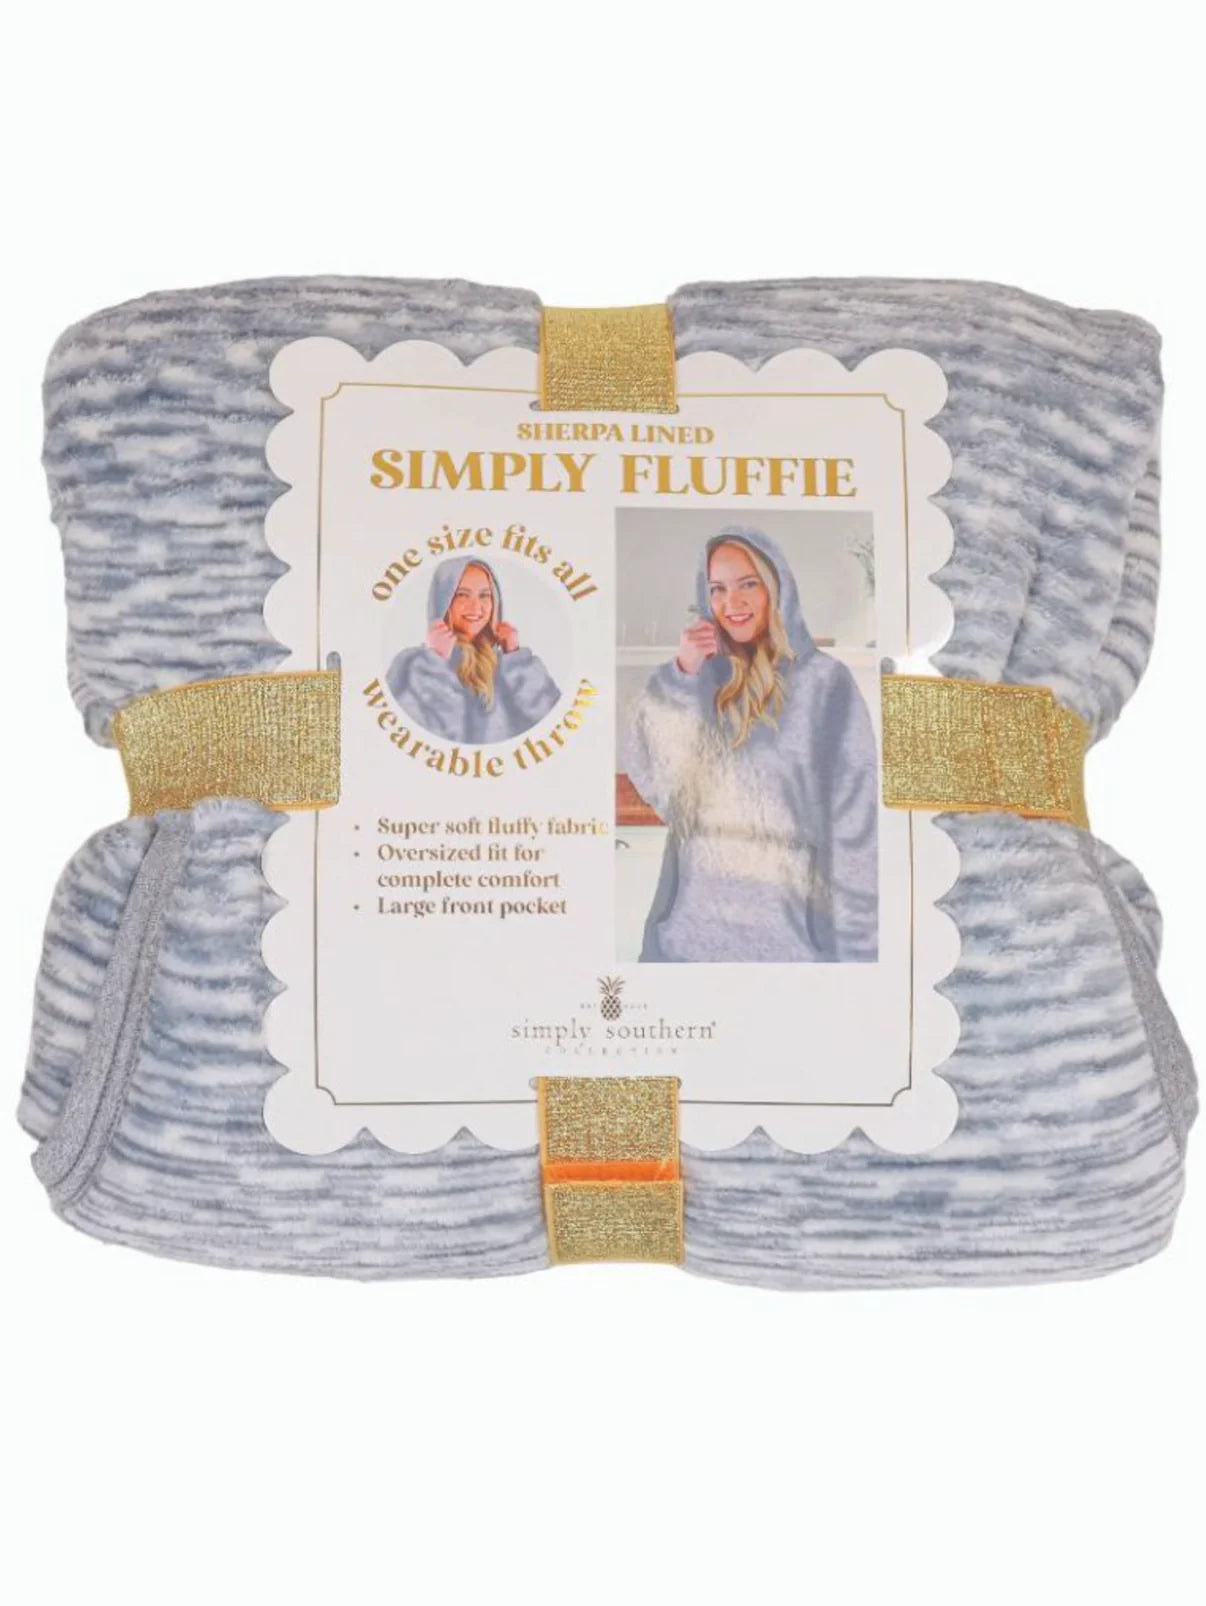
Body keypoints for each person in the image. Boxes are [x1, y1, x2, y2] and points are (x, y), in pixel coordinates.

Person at [623, 527, 878, 963]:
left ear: (777, 587)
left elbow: (857, 828)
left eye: (748, 584)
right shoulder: (698, 678)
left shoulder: (825, 683)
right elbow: (664, 787)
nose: (732, 602)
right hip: (688, 943)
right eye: (718, 589)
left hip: (792, 948)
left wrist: (860, 953)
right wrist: (681, 676)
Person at [386, 557, 561, 742]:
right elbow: (409, 737)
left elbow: (553, 724)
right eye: (462, 594)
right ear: (443, 601)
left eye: (484, 595)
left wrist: (518, 660)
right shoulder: (412, 665)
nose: (476, 606)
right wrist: (434, 663)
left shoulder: (507, 666)